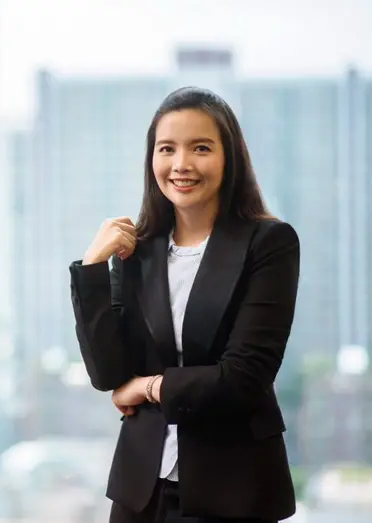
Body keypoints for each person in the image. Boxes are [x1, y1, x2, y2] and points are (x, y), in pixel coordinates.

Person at [68, 86, 300, 523]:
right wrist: (93, 267)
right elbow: (108, 374)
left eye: (201, 148)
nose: (181, 164)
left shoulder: (269, 244)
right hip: (141, 491)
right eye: (167, 149)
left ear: (229, 158)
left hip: (233, 488)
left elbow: (244, 377)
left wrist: (149, 388)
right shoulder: (137, 250)